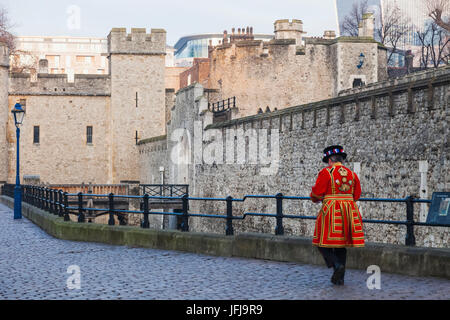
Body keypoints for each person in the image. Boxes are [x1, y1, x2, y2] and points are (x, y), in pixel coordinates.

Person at [310, 145, 365, 285]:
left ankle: (336, 266)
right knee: (341, 245)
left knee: (322, 243)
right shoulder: (352, 174)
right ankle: (340, 278)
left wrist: (316, 197)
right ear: (342, 159)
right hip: (349, 210)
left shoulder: (326, 172)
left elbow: (316, 193)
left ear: (329, 160)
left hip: (332, 210)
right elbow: (357, 195)